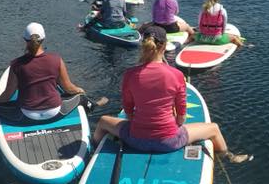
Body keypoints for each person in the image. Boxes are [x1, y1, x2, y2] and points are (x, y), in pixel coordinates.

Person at [91, 25, 251, 162]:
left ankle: (94, 153)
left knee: (103, 121)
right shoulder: (176, 75)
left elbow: (128, 110)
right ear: (164, 46)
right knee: (214, 129)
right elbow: (181, 116)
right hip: (169, 142)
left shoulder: (130, 75)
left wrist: (138, 126)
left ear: (144, 45)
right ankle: (229, 157)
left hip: (136, 139)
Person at [0, 22, 104, 121]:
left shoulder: (16, 64)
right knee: (81, 97)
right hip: (55, 112)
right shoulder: (56, 60)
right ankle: (93, 106)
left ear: (25, 40)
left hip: (26, 113)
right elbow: (68, 88)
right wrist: (80, 90)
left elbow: (8, 95)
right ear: (43, 39)